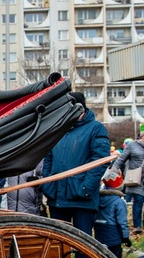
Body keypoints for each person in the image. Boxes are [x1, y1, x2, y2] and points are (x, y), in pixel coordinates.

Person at [41, 91, 110, 244]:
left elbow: (100, 160)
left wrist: (85, 188)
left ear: (80, 109)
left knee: (82, 244)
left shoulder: (96, 129)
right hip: (56, 195)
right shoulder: (58, 129)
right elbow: (48, 158)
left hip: (81, 198)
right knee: (57, 243)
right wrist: (48, 183)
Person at [110, 122, 144, 234]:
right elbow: (121, 160)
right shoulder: (132, 145)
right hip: (136, 178)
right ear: (141, 136)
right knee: (138, 201)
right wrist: (113, 171)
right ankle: (137, 224)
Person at [93, 179, 131, 258]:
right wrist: (125, 237)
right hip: (113, 231)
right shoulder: (119, 201)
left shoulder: (98, 198)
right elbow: (122, 221)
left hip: (100, 230)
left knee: (104, 257)